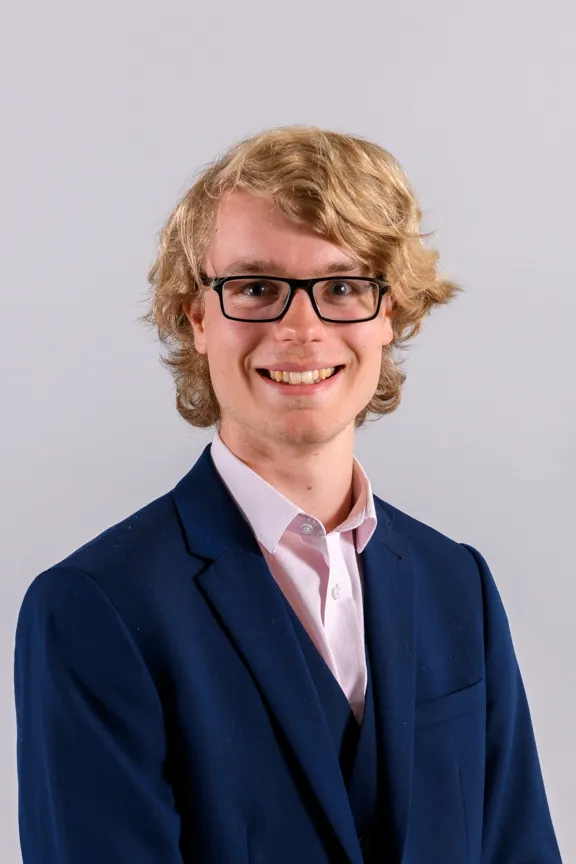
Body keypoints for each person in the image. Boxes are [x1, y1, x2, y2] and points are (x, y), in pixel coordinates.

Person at [14, 126, 561, 863]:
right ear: (195, 316)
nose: (300, 328)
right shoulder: (92, 607)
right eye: (256, 288)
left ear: (389, 313)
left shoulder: (456, 583)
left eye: (342, 286)